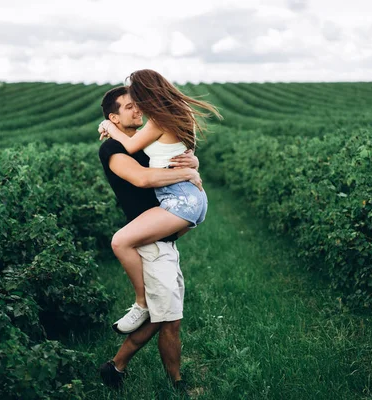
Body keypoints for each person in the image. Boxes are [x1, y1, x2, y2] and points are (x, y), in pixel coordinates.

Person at [98, 69, 221, 335]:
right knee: (165, 303)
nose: (137, 105)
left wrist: (109, 127)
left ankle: (141, 304)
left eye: (137, 97)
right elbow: (175, 153)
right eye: (130, 104)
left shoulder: (157, 122)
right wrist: (192, 166)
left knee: (120, 241)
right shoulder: (172, 117)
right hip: (187, 198)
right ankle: (124, 356)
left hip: (180, 199)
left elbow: (132, 151)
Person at [97, 84, 202, 390]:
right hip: (149, 242)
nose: (137, 109)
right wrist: (186, 174)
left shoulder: (143, 145)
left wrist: (191, 163)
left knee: (166, 314)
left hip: (161, 236)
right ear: (113, 118)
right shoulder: (112, 149)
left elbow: (171, 162)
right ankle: (176, 382)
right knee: (167, 317)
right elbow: (143, 179)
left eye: (138, 105)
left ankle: (117, 366)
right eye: (129, 107)